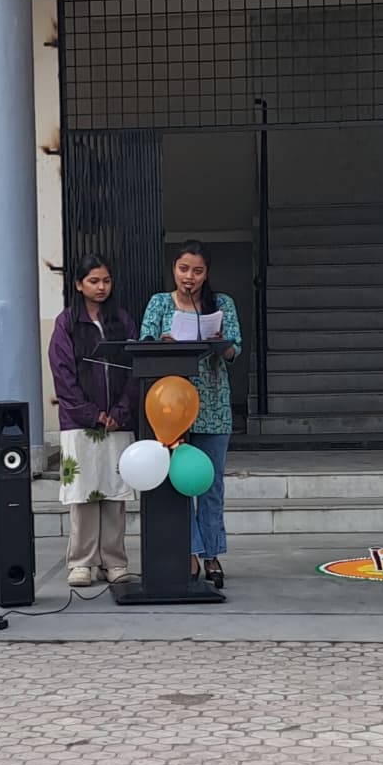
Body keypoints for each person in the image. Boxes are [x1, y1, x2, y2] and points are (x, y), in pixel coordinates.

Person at [140, 240, 242, 587]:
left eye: (197, 271)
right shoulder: (159, 303)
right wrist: (163, 345)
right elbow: (143, 343)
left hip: (214, 404)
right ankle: (190, 552)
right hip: (172, 408)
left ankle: (212, 553)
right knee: (179, 482)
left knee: (210, 484)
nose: (190, 277)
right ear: (174, 269)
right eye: (184, 269)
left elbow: (235, 351)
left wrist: (221, 342)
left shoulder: (222, 304)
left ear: (206, 273)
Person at [48, 255, 138, 588]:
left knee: (115, 491)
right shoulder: (67, 323)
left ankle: (114, 561)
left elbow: (135, 368)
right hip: (79, 423)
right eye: (94, 281)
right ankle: (82, 562)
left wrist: (120, 412)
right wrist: (91, 414)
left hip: (117, 422)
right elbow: (63, 374)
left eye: (106, 281)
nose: (101, 287)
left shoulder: (121, 320)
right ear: (78, 284)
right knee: (83, 492)